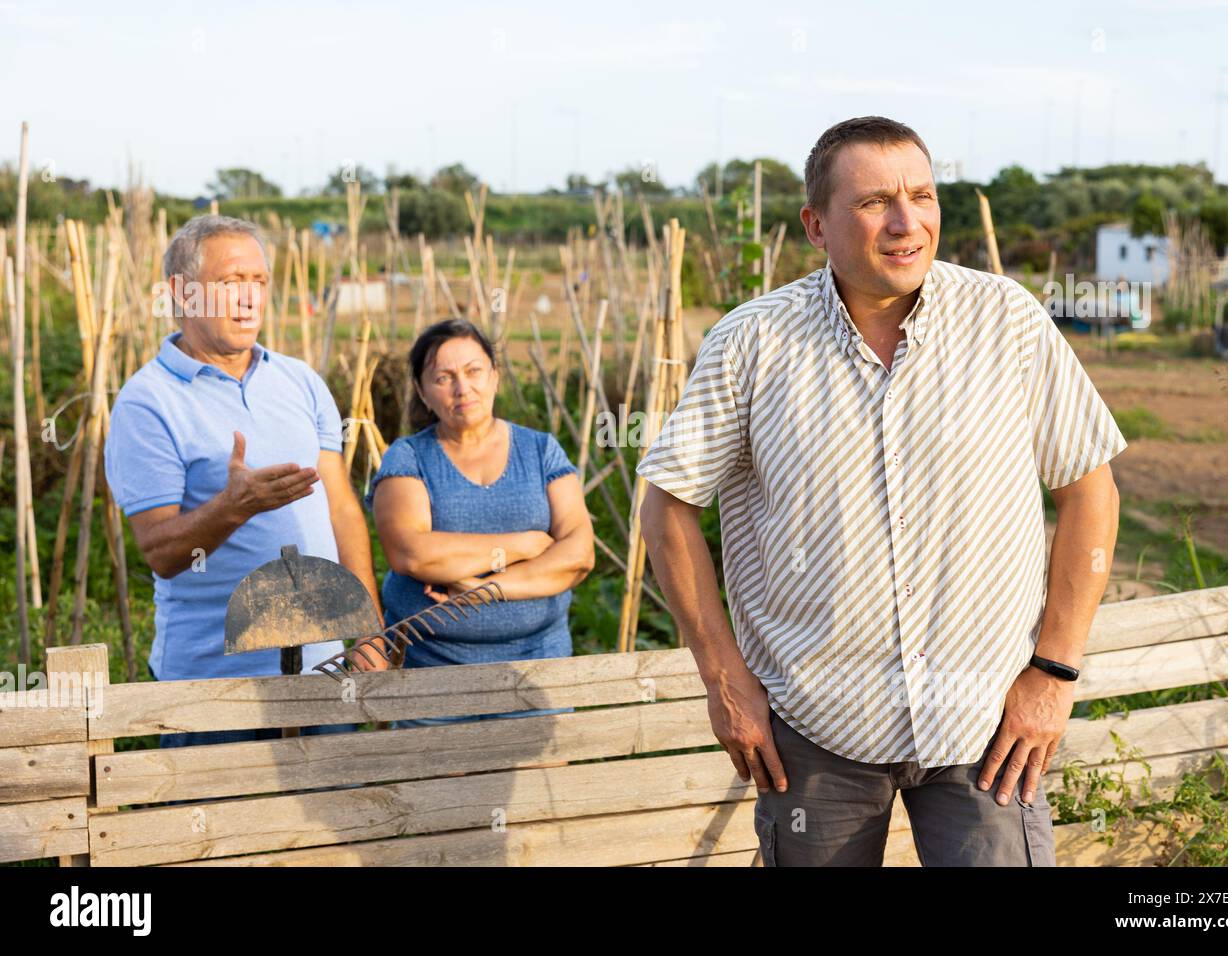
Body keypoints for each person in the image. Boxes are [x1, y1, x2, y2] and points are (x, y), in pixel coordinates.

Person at [636, 116, 1127, 866]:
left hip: (988, 726)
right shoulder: (751, 343)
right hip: (813, 730)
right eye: (874, 203)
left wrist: (1054, 673)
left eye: (922, 196)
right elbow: (668, 505)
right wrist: (724, 678)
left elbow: (1090, 489)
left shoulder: (1008, 323)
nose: (906, 223)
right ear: (815, 224)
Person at [104, 215, 387, 748]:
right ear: (180, 293)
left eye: (258, 282)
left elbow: (342, 510)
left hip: (322, 673)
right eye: (230, 282)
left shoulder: (299, 380)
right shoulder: (147, 403)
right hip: (214, 687)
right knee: (217, 828)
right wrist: (235, 506)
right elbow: (162, 550)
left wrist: (370, 631)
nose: (249, 298)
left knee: (326, 827)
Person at [366, 319, 595, 726]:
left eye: (474, 371)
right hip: (436, 676)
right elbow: (412, 554)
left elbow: (578, 555)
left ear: (494, 376)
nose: (462, 388)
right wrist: (527, 545)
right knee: (443, 790)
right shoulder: (409, 457)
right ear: (422, 391)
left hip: (538, 670)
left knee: (539, 788)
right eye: (444, 377)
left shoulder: (541, 450)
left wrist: (484, 590)